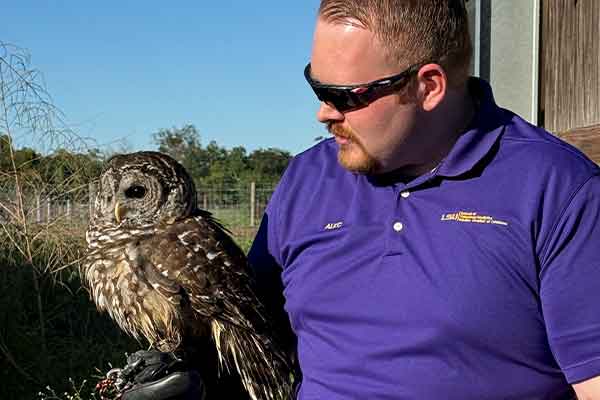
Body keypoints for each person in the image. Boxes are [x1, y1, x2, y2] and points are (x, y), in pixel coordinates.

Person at [122, 0, 600, 399]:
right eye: (316, 85)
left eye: (345, 95)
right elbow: (255, 338)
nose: (323, 112)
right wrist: (194, 380)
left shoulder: (558, 189)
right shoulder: (307, 180)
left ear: (428, 86)